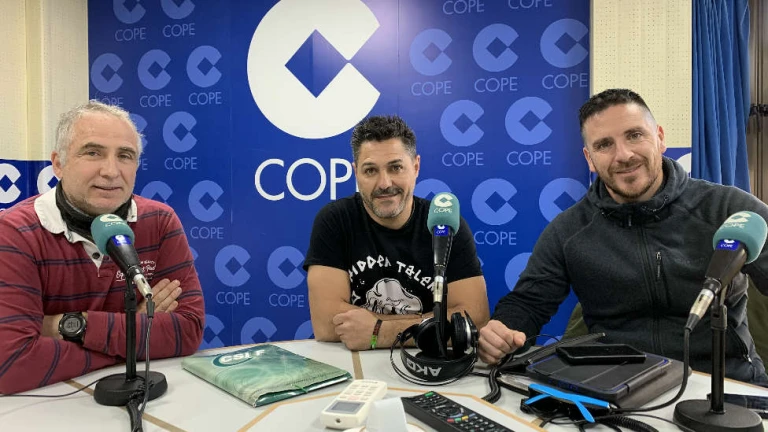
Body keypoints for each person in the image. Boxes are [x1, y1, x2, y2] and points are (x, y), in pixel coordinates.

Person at [478, 89, 768, 385]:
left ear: (660, 138)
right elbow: (528, 304)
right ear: (590, 159)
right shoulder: (568, 230)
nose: (624, 155)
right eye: (604, 145)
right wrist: (502, 332)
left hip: (724, 383)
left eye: (634, 135)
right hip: (617, 385)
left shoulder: (730, 209)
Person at [0, 101, 205, 394]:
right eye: (93, 152)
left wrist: (68, 326)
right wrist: (136, 336)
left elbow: (187, 331)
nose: (111, 171)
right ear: (58, 163)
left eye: (125, 155)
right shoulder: (14, 232)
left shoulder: (160, 222)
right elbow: (11, 364)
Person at [304, 115, 490, 351]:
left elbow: (474, 320)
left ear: (416, 167)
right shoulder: (335, 220)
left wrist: (379, 331)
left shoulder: (444, 225)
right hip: (356, 362)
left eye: (396, 167)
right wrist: (432, 324)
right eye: (370, 170)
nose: (384, 183)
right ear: (356, 173)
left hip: (427, 358)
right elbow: (326, 324)